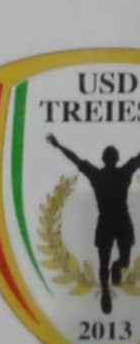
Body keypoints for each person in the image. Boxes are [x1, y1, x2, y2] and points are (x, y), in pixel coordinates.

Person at [46, 133, 139, 316]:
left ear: (105, 159)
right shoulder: (123, 172)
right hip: (119, 220)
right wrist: (58, 145)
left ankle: (112, 274)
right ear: (116, 159)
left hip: (110, 221)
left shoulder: (98, 175)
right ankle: (107, 285)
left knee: (112, 261)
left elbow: (75, 159)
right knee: (118, 260)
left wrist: (58, 145)